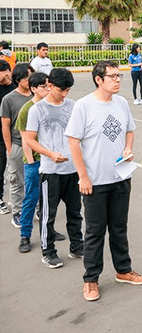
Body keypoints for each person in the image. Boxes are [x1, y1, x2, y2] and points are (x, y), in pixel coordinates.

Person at [66, 60, 142, 302]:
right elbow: (73, 141)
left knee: (119, 228)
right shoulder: (84, 106)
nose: (117, 80)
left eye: (119, 76)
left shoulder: (121, 103)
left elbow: (130, 131)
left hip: (120, 177)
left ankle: (123, 270)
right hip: (95, 181)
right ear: (98, 80)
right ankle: (91, 279)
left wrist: (128, 148)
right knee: (94, 232)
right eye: (111, 76)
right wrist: (83, 176)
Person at [23, 68, 83, 268]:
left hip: (73, 170)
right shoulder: (36, 110)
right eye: (61, 89)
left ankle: (76, 246)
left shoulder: (73, 106)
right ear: (49, 85)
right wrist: (49, 154)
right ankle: (48, 252)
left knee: (75, 212)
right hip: (50, 171)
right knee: (49, 215)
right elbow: (29, 139)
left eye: (68, 90)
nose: (64, 94)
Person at [15, 72, 50, 253]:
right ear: (34, 88)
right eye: (44, 86)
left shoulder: (51, 106)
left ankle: (49, 230)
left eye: (49, 85)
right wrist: (31, 162)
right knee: (30, 199)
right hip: (34, 162)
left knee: (48, 200)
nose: (47, 89)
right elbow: (26, 140)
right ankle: (25, 235)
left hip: (50, 161)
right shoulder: (27, 110)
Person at [1, 63, 34, 228]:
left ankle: (33, 209)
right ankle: (17, 212)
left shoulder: (37, 95)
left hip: (35, 146)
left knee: (34, 180)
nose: (30, 80)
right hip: (17, 145)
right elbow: (5, 126)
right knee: (16, 181)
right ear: (18, 78)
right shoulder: (9, 99)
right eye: (27, 77)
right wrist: (10, 149)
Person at [0, 60, 15, 215]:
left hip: (14, 135)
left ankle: (15, 198)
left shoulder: (14, 87)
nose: (6, 75)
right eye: (2, 72)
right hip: (0, 136)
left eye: (7, 71)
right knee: (0, 167)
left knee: (16, 169)